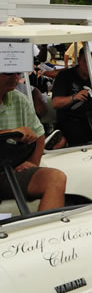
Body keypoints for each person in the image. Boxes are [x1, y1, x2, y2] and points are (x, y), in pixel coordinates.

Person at [0, 71, 67, 211]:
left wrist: (32, 163)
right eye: (8, 73)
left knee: (55, 178)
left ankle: (45, 231)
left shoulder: (20, 100)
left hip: (9, 172)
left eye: (17, 73)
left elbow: (39, 135)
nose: (16, 78)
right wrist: (11, 133)